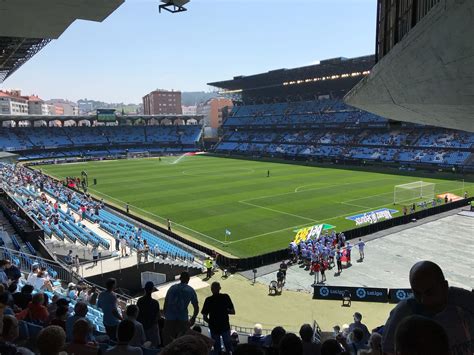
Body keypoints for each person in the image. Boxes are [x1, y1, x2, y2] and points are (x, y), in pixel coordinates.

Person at [382, 260, 474, 355]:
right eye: (417, 293)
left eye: (430, 292)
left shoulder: (466, 302)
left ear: (444, 286)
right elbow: (387, 351)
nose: (423, 300)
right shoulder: (403, 313)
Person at [163, 271, 199, 345]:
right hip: (182, 319)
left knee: (168, 343)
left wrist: (165, 314)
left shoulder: (172, 288)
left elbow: (166, 303)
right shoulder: (190, 290)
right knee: (181, 344)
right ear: (188, 279)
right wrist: (193, 318)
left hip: (170, 318)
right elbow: (196, 307)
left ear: (180, 278)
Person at [201, 281, 236, 355]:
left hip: (214, 328)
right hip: (224, 326)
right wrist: (223, 311)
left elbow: (204, 317)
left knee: (217, 350)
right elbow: (233, 311)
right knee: (229, 349)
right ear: (220, 288)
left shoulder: (208, 300)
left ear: (211, 289)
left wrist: (211, 323)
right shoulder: (225, 297)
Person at [136, 281, 161, 347]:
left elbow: (137, 315)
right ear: (152, 290)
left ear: (145, 289)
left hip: (143, 327)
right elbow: (159, 317)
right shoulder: (155, 303)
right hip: (152, 328)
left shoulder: (139, 301)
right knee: (154, 347)